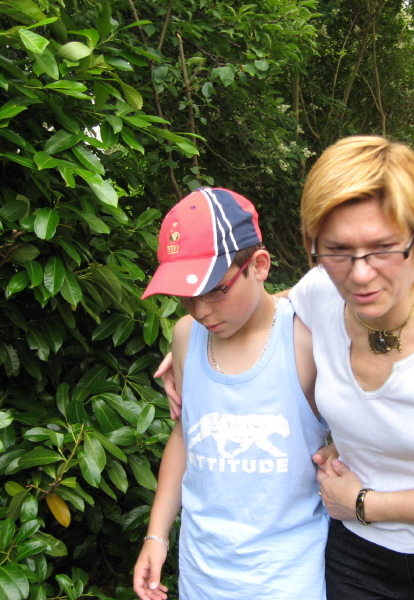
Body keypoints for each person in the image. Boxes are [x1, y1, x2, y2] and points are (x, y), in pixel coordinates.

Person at [159, 137, 414, 599]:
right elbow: (261, 308)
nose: (359, 274)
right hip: (356, 559)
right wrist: (198, 343)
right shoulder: (321, 293)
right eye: (336, 250)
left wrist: (363, 504)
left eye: (383, 248)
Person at [133, 187, 329, 600]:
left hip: (289, 577)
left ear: (259, 265)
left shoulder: (305, 340)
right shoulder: (185, 336)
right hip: (201, 574)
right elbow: (185, 435)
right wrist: (156, 535)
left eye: (216, 290)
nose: (201, 310)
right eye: (186, 296)